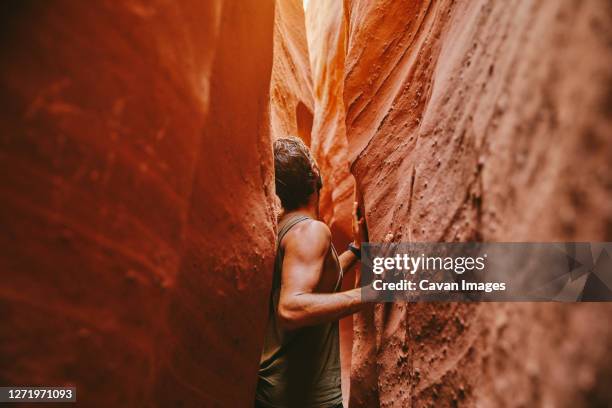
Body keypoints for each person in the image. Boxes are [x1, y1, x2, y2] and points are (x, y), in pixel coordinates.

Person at [255, 136, 368, 408]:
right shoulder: (311, 231)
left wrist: (355, 250)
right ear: (313, 172)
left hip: (275, 390)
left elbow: (314, 280)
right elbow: (291, 307)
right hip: (304, 397)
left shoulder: (286, 227)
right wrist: (371, 294)